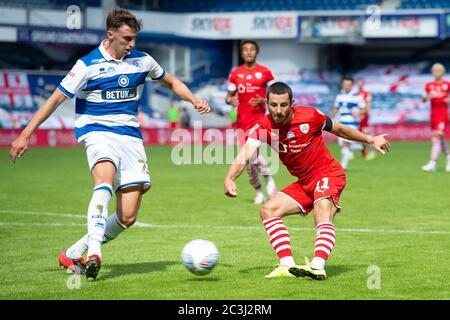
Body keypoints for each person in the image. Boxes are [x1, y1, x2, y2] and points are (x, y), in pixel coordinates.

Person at [9, 8, 210, 280]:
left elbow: (171, 81)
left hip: (130, 137)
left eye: (134, 38)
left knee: (127, 217)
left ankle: (72, 254)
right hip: (97, 131)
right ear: (110, 34)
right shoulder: (87, 65)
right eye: (127, 38)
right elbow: (56, 99)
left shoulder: (143, 61)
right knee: (103, 182)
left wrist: (193, 99)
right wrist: (26, 134)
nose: (132, 44)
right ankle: (94, 253)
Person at [224, 82, 390, 280]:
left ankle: (317, 266)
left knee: (322, 210)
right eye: (274, 105)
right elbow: (244, 155)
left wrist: (370, 139)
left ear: (291, 103)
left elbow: (340, 130)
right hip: (304, 182)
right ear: (266, 103)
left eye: (283, 105)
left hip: (328, 173)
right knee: (268, 210)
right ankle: (287, 265)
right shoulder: (262, 127)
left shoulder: (310, 116)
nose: (278, 110)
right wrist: (230, 178)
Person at [225, 40, 277, 204]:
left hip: (259, 121)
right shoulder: (235, 74)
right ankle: (260, 192)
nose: (248, 52)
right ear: (241, 53)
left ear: (256, 52)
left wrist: (264, 101)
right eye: (245, 50)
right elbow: (228, 97)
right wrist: (230, 100)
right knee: (250, 162)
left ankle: (269, 183)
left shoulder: (265, 72)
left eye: (252, 49)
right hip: (241, 122)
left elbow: (277, 95)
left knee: (252, 156)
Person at [330, 75, 366, 171]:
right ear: (342, 85)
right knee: (344, 145)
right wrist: (331, 114)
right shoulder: (339, 97)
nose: (346, 86)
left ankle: (343, 167)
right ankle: (360, 146)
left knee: (345, 144)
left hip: (352, 123)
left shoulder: (357, 97)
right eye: (345, 84)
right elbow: (336, 108)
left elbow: (364, 110)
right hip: (341, 122)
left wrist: (358, 113)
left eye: (348, 85)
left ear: (352, 85)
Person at [421, 63, 450, 172]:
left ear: (442, 72)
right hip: (433, 114)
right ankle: (449, 159)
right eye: (434, 70)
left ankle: (432, 162)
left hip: (443, 113)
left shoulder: (447, 84)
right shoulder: (429, 85)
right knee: (440, 139)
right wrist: (425, 97)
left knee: (436, 137)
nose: (436, 72)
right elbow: (424, 99)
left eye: (438, 70)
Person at [356, 79, 376, 160]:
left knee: (366, 136)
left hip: (364, 117)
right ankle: (363, 152)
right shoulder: (355, 94)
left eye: (361, 83)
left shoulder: (367, 94)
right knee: (358, 137)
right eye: (358, 83)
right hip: (357, 118)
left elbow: (368, 106)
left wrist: (363, 114)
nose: (359, 84)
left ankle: (371, 151)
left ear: (363, 84)